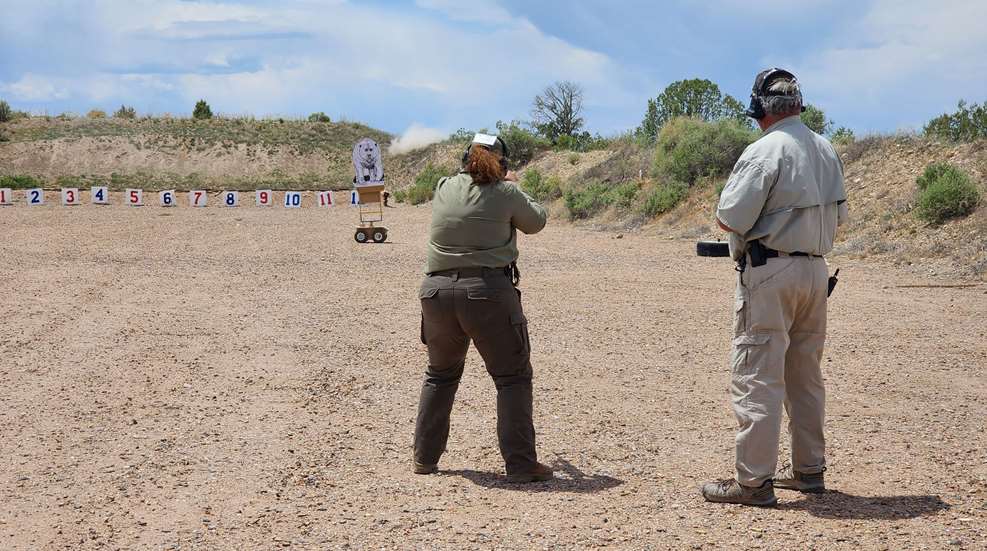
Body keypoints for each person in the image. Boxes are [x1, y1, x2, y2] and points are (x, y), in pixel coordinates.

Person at [701, 68, 848, 506]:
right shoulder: (826, 148)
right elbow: (839, 218)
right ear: (798, 104)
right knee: (805, 376)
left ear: (759, 108)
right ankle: (809, 470)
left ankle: (753, 483)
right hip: (815, 272)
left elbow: (730, 217)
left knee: (758, 375)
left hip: (771, 272)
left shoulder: (765, 150)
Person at [412, 134, 553, 483]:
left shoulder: (444, 187)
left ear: (464, 159)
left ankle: (424, 458)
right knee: (512, 378)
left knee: (439, 375)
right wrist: (516, 186)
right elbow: (537, 221)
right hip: (487, 292)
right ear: (501, 163)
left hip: (436, 292)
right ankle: (520, 464)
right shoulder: (505, 192)